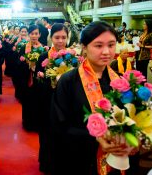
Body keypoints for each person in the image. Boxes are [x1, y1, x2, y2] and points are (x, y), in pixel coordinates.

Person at [50, 21, 139, 175]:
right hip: (80, 159)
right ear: (84, 47)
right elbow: (59, 126)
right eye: (98, 46)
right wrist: (96, 138)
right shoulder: (69, 81)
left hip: (116, 159)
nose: (106, 52)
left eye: (111, 45)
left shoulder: (120, 81)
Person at [35, 23, 73, 173]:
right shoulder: (43, 57)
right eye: (57, 37)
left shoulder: (72, 58)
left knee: (64, 135)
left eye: (64, 37)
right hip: (47, 103)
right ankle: (47, 163)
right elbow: (37, 84)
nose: (60, 41)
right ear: (51, 38)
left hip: (67, 105)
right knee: (47, 135)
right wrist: (49, 82)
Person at [18, 24, 43, 131]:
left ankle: (37, 123)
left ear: (40, 35)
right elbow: (18, 63)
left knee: (38, 101)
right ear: (29, 34)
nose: (34, 36)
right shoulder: (24, 47)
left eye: (36, 33)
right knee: (27, 100)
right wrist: (28, 64)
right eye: (32, 33)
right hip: (26, 78)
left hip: (38, 79)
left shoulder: (43, 48)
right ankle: (27, 123)